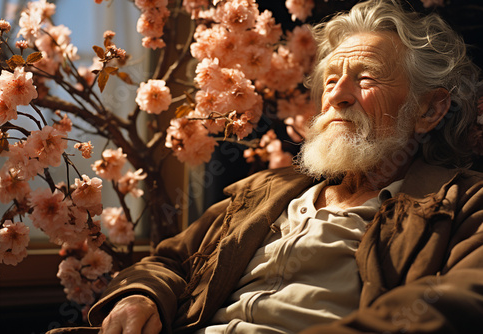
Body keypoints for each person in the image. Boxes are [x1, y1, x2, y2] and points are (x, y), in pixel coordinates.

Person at [49, 0, 483, 333]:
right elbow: (170, 262)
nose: (337, 95)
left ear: (429, 109)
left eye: (365, 78)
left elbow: (461, 298)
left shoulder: (464, 203)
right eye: (331, 80)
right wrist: (142, 296)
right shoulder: (265, 189)